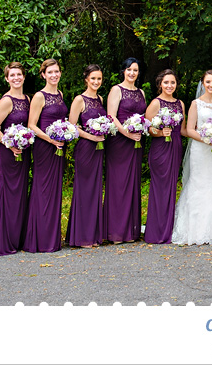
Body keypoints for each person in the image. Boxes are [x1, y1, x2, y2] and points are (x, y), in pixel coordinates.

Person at [171, 70, 212, 245]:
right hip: (201, 149)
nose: (211, 85)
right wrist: (208, 139)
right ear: (203, 83)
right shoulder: (196, 104)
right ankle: (194, 230)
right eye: (208, 82)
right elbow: (189, 129)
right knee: (199, 183)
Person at [0, 61, 31, 255]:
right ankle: (1, 240)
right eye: (12, 75)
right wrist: (9, 143)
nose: (16, 78)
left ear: (24, 77)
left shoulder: (27, 99)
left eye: (19, 74)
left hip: (23, 150)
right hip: (7, 151)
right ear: (7, 78)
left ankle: (17, 237)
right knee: (6, 192)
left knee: (19, 193)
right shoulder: (6, 100)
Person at [24, 58, 67, 253]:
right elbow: (31, 125)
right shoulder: (39, 97)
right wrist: (50, 139)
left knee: (55, 190)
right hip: (44, 146)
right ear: (43, 75)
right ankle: (38, 239)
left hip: (59, 145)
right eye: (50, 72)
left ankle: (52, 239)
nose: (54, 75)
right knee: (42, 189)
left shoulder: (60, 94)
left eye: (56, 71)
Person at [103, 57, 146, 243]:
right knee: (118, 184)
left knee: (132, 183)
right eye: (129, 69)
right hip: (119, 143)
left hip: (136, 142)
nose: (132, 73)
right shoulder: (116, 90)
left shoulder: (141, 92)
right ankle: (115, 232)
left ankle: (130, 231)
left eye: (135, 70)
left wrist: (140, 129)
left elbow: (144, 116)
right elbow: (111, 116)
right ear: (123, 71)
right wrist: (127, 133)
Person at [65, 64, 107, 248]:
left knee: (95, 190)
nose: (96, 82)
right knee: (84, 190)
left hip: (98, 149)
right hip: (85, 149)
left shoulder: (100, 98)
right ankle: (81, 237)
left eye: (99, 79)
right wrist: (91, 136)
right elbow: (71, 126)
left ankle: (93, 235)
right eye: (93, 79)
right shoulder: (79, 100)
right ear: (86, 80)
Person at [144, 69, 186, 244]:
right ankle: (155, 233)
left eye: (173, 82)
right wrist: (160, 132)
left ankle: (168, 231)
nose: (170, 85)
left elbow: (183, 130)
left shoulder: (180, 104)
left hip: (175, 147)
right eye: (166, 82)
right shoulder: (156, 103)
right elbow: (147, 127)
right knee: (159, 189)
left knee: (170, 189)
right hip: (160, 148)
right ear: (160, 84)